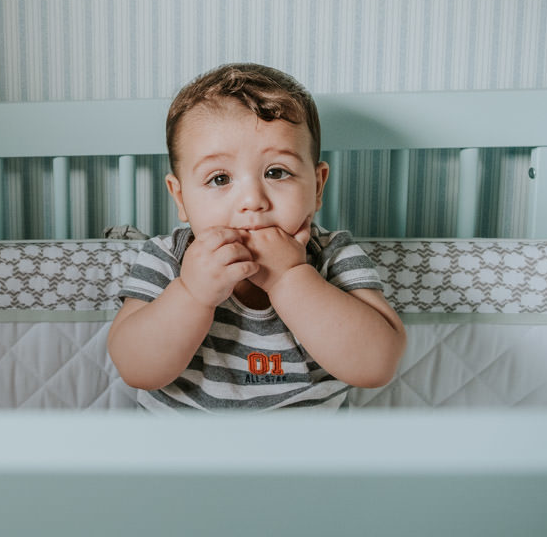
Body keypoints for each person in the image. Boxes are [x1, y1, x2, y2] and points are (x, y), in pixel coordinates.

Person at [107, 63, 406, 410]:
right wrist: (191, 294)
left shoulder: (333, 256)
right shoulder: (167, 258)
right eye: (219, 179)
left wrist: (289, 278)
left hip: (308, 457)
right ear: (180, 198)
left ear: (318, 185)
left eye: (276, 172)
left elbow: (376, 366)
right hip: (186, 455)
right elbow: (135, 369)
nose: (253, 201)